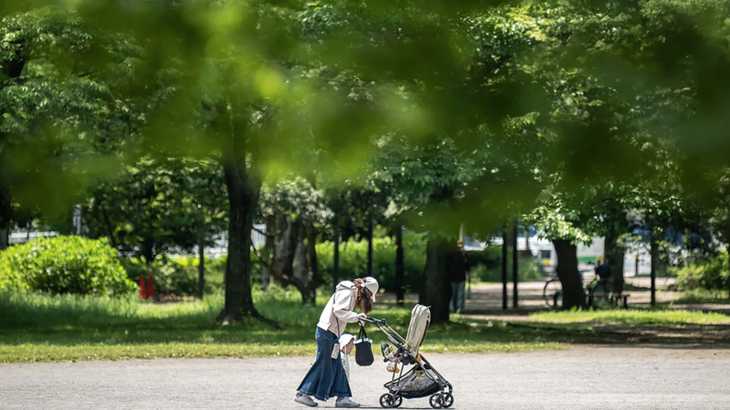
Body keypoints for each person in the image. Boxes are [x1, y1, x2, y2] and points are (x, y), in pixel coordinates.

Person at [294, 277, 379, 408]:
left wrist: (356, 316)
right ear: (366, 292)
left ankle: (342, 397)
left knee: (337, 364)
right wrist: (356, 316)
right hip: (327, 332)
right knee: (323, 363)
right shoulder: (348, 292)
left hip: (330, 333)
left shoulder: (350, 291)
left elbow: (340, 313)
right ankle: (302, 394)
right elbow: (338, 311)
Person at [448, 241, 468, 313]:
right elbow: (467, 267)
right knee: (459, 295)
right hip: (459, 277)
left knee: (455, 295)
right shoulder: (463, 255)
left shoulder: (453, 256)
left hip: (455, 277)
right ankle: (459, 309)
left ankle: (456, 309)